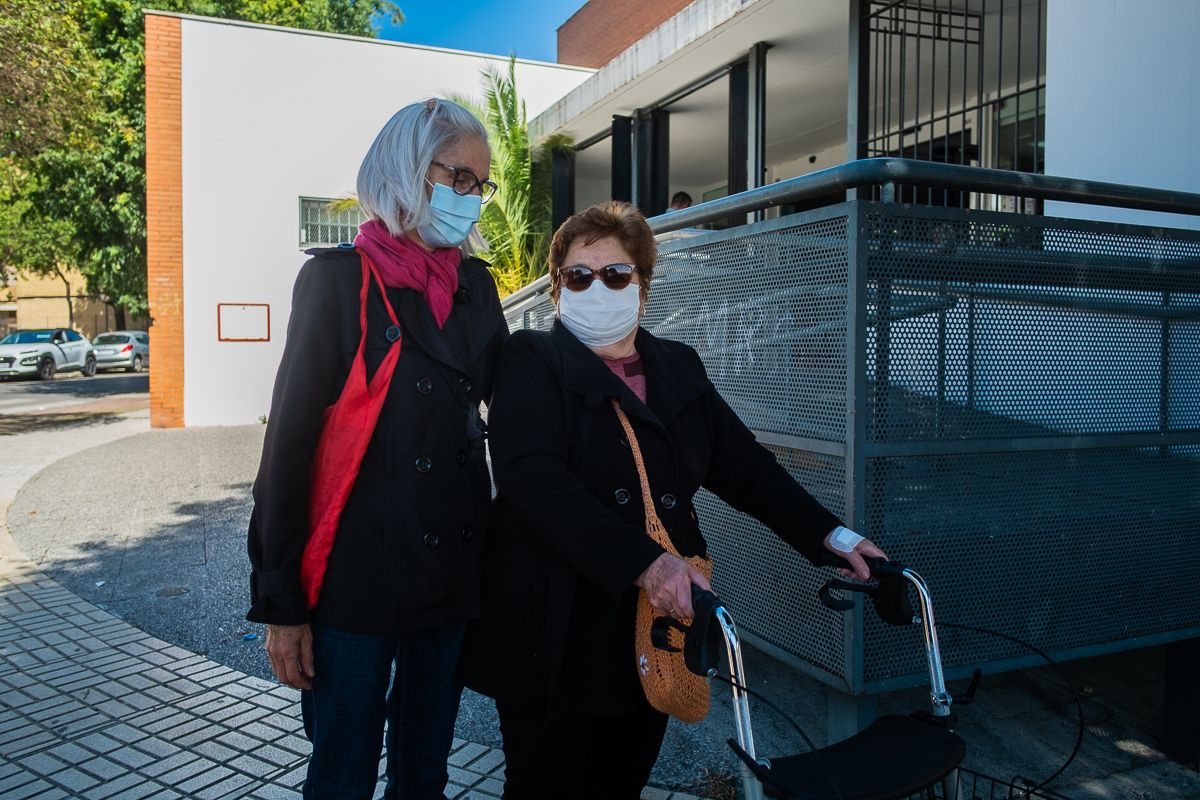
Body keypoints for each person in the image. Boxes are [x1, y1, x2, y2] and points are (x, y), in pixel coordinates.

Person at [461, 201, 886, 799]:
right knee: (544, 787)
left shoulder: (676, 367)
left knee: (621, 781)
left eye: (616, 274)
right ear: (557, 288)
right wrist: (645, 562)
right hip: (553, 628)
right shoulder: (531, 360)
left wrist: (832, 537)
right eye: (579, 276)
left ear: (642, 286)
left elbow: (747, 469)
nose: (597, 288)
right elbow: (534, 481)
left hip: (652, 627)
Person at [246, 98, 508, 800]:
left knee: (424, 774)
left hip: (449, 580)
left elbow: (514, 411)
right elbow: (289, 448)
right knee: (342, 773)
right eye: (458, 178)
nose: (470, 199)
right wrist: (281, 603)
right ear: (407, 172)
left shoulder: (475, 287)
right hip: (353, 586)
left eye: (480, 185)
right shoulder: (338, 281)